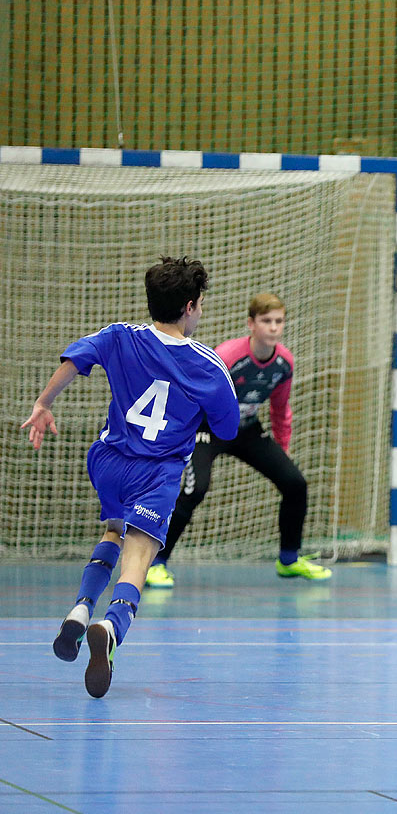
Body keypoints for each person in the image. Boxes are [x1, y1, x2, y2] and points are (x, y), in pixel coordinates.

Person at [25, 257, 239, 698]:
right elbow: (228, 429)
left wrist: (44, 403)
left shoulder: (121, 334)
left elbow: (75, 357)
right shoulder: (209, 365)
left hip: (107, 460)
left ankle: (81, 611)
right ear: (191, 306)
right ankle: (111, 626)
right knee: (139, 558)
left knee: (113, 529)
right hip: (156, 472)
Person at [145, 292, 327, 586]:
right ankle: (157, 562)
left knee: (295, 484)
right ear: (251, 324)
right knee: (196, 489)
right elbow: (192, 393)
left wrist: (281, 450)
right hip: (209, 429)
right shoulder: (229, 356)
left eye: (279, 321)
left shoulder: (284, 363)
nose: (273, 327)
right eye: (266, 321)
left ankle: (289, 560)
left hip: (247, 430)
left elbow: (280, 408)